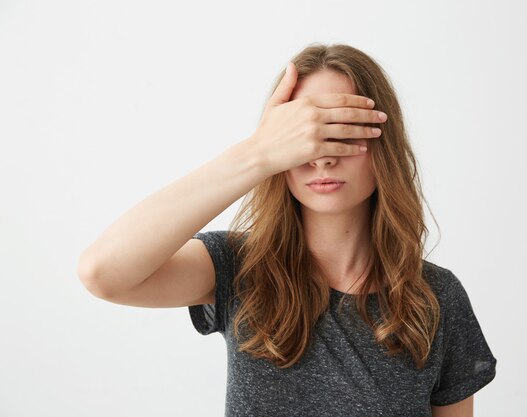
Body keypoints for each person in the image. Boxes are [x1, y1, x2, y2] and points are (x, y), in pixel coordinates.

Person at [78, 43, 497, 416]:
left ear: (382, 142)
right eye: (302, 137)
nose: (321, 158)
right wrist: (257, 152)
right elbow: (103, 272)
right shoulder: (240, 267)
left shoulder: (436, 298)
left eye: (339, 132)